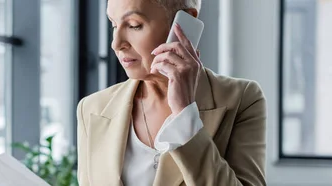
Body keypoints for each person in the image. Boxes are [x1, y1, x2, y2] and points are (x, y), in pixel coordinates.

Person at [76, 0, 266, 185]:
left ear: (184, 21)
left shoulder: (242, 99)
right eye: (114, 25)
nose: (116, 44)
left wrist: (185, 114)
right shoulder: (92, 109)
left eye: (134, 25)